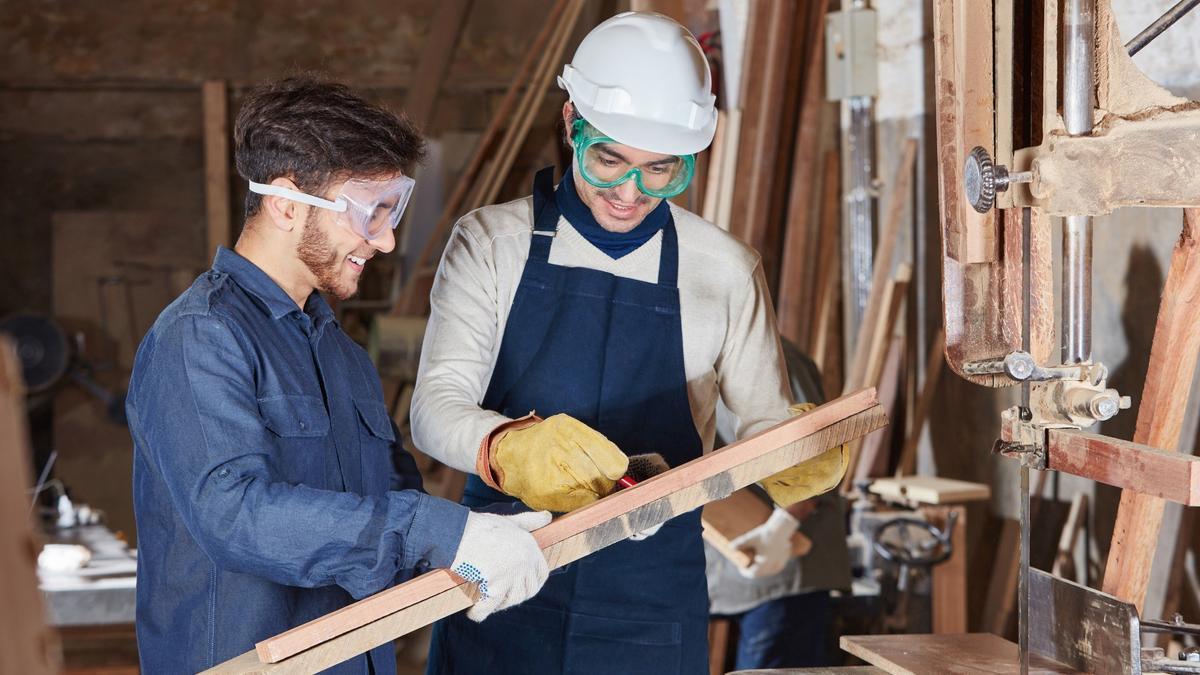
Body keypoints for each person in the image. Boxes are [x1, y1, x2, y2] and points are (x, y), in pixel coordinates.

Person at [411, 12, 847, 674]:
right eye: (608, 159)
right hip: (507, 570)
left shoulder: (723, 268)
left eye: (660, 171)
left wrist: (793, 453)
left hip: (650, 596)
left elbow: (763, 424)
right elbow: (434, 407)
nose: (628, 192)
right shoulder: (491, 243)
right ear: (570, 125)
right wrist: (509, 448)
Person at [127, 77, 551, 674]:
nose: (386, 239)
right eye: (369, 212)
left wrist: (487, 539)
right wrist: (437, 530)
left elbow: (391, 508)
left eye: (391, 209)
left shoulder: (340, 353)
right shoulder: (199, 338)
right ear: (287, 203)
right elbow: (234, 515)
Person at [706, 341, 853, 670]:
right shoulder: (701, 353)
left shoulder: (769, 354)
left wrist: (780, 528)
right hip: (738, 560)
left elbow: (813, 450)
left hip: (786, 560)